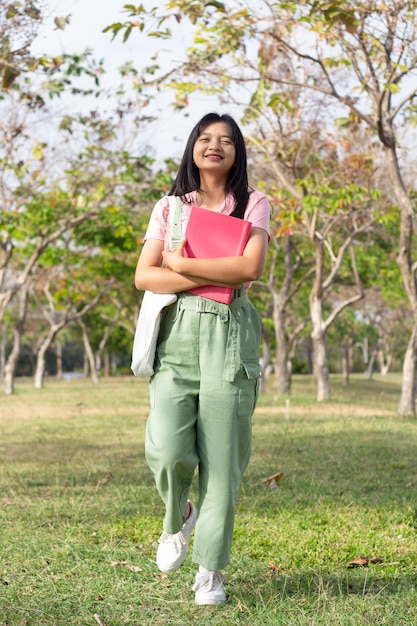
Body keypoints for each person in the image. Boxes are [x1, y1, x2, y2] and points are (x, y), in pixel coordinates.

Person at [134, 112, 270, 605]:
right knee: (167, 450)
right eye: (206, 138)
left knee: (223, 457)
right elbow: (145, 277)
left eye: (227, 141)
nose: (216, 146)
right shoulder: (170, 208)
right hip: (179, 335)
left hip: (231, 335)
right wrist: (215, 274)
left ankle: (210, 569)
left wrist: (184, 264)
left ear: (237, 153)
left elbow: (249, 268)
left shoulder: (254, 204)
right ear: (193, 147)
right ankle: (178, 518)